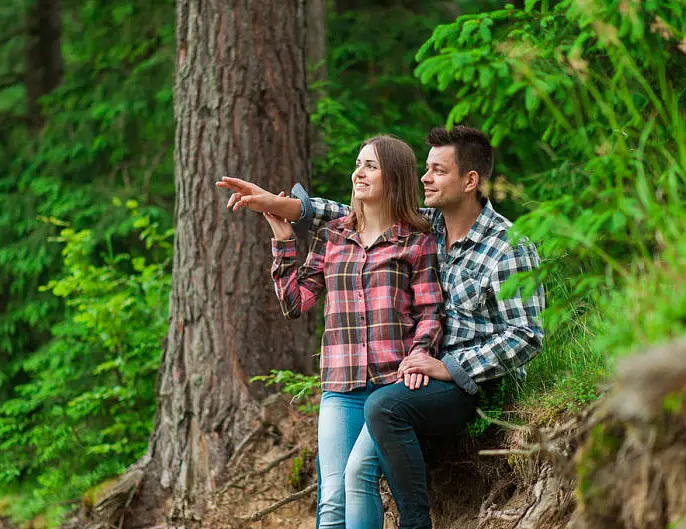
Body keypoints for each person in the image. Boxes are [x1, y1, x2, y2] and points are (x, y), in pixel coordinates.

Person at [218, 126, 545, 529]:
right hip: (371, 378)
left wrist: (442, 362)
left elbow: (526, 335)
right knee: (333, 496)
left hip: (461, 379)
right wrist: (280, 209)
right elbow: (348, 216)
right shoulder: (430, 224)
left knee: (373, 436)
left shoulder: (503, 245)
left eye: (438, 171)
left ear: (470, 180)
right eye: (424, 169)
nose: (425, 178)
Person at [225, 135, 444, 529]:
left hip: (392, 386)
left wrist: (420, 355)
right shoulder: (334, 236)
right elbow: (296, 303)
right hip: (340, 387)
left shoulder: (416, 240)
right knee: (332, 502)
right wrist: (283, 240)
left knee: (359, 477)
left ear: (394, 177)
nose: (359, 173)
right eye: (358, 164)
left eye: (371, 166)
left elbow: (429, 310)